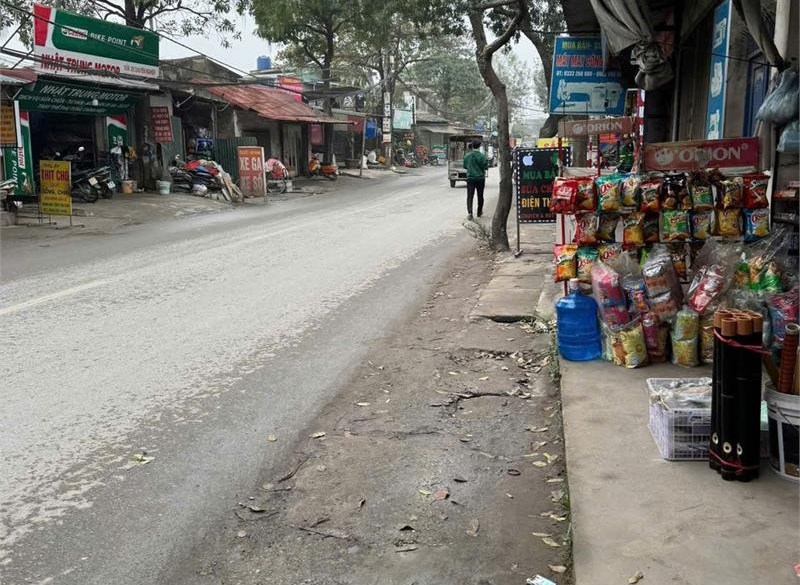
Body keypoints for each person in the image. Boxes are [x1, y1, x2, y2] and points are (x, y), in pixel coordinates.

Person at [463, 140, 489, 220]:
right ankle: (479, 212)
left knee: (470, 196)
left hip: (470, 178)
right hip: (480, 178)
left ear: (472, 146)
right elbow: (485, 167)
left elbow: (465, 166)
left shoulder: (467, 156)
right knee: (480, 195)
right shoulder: (482, 156)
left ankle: (470, 213)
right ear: (479, 146)